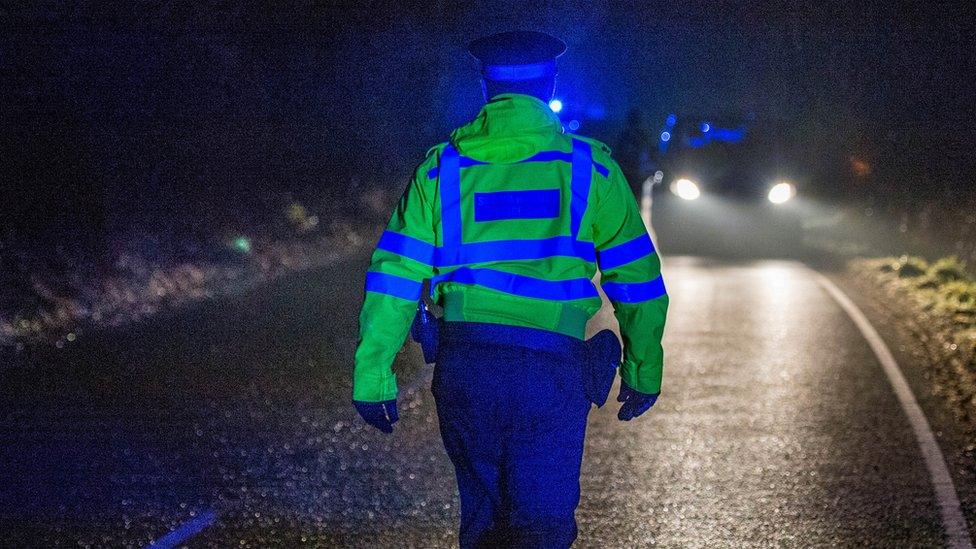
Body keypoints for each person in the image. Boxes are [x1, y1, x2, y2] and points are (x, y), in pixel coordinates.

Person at [352, 30, 668, 548]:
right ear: (551, 83)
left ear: (485, 86)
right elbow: (637, 282)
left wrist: (372, 374)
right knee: (542, 526)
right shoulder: (590, 168)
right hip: (552, 372)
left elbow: (395, 278)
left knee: (483, 525)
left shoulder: (442, 169)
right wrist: (642, 367)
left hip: (466, 370)